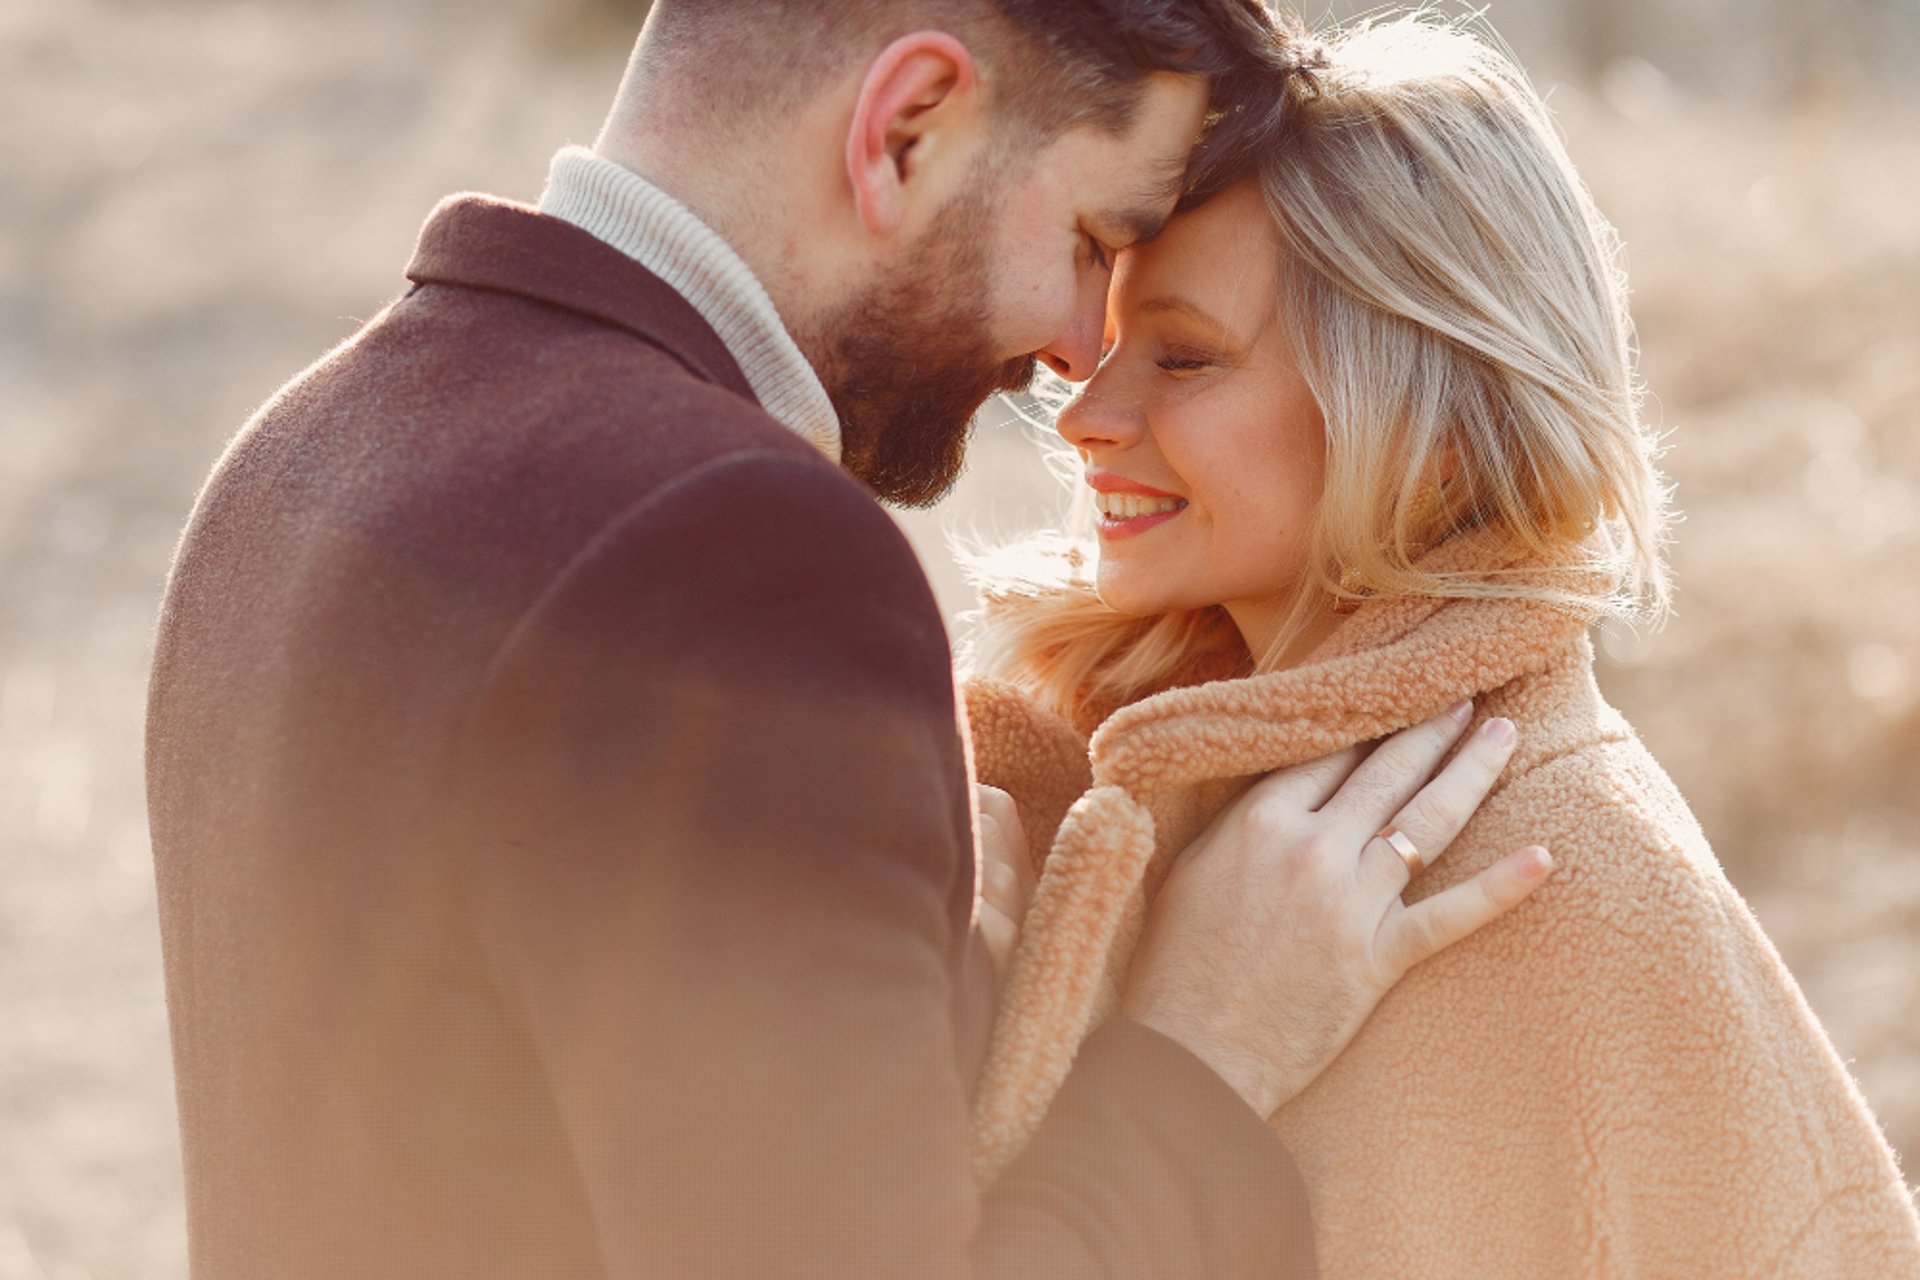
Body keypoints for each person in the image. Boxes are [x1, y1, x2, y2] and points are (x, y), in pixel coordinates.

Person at [145, 2, 1560, 1276]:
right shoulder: (731, 555)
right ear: (909, 126)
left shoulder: (294, 460)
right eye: (1092, 243)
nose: (1078, 348)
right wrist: (1203, 1049)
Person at [962, 13, 1920, 1277]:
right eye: (1108, 346)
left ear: (1429, 418)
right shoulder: (1028, 802)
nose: (1085, 413)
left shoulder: (1570, 883)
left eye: (1183, 355)